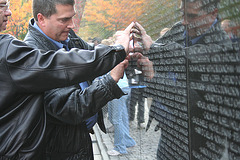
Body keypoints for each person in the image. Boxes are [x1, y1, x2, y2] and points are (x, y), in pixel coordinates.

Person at [0, 0, 134, 159]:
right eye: (2, 5)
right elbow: (72, 107)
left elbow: (90, 55)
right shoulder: (25, 53)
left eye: (72, 18)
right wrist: (111, 76)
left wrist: (116, 49)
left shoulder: (66, 35)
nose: (71, 25)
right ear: (41, 19)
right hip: (60, 151)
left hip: (78, 142)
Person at [133, 0, 233, 159]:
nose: (185, 22)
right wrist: (138, 50)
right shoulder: (180, 28)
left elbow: (195, 100)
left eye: (192, 16)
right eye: (182, 14)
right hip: (170, 133)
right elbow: (155, 52)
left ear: (213, 13)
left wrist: (154, 77)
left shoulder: (222, 49)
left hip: (197, 145)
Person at [107, 72, 136, 156]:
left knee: (116, 119)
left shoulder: (108, 59)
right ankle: (128, 141)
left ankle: (120, 148)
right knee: (122, 118)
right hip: (122, 87)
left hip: (117, 88)